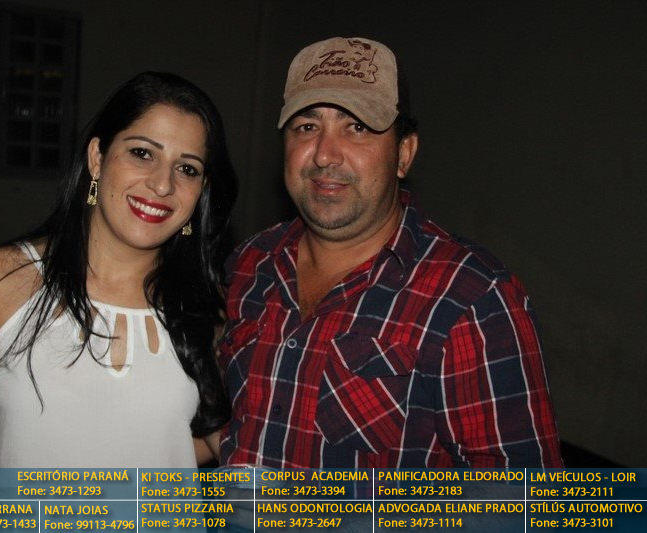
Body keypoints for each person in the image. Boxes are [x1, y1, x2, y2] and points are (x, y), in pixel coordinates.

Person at [218, 37, 562, 469]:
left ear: (404, 153)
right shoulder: (250, 263)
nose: (324, 154)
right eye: (306, 127)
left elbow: (519, 498)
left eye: (357, 127)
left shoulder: (474, 300)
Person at [0, 72, 238, 468]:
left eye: (187, 169)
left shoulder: (211, 309)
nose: (162, 184)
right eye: (142, 153)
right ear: (97, 158)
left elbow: (205, 443)